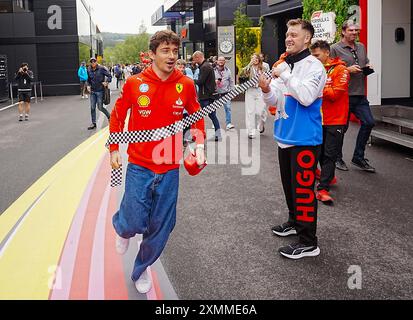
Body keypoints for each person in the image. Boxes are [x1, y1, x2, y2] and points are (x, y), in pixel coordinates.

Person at [109, 30, 206, 294]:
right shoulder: (134, 84)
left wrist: (198, 144)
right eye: (165, 51)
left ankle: (141, 269)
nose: (172, 56)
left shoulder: (185, 84)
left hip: (170, 166)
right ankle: (122, 227)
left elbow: (196, 115)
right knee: (133, 222)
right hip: (139, 165)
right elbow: (117, 117)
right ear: (152, 55)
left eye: (175, 51)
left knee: (162, 226)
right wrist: (114, 148)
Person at [259, 18, 327, 259]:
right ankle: (294, 222)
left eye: (294, 34)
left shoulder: (314, 67)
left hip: (305, 140)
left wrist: (285, 74)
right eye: (288, 34)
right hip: (284, 136)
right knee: (290, 188)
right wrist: (267, 89)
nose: (288, 38)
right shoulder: (286, 65)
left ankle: (309, 242)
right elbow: (276, 102)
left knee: (304, 191)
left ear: (307, 38)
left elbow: (307, 97)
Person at [330, 21, 376, 173]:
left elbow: (365, 61)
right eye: (351, 30)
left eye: (356, 30)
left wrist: (368, 66)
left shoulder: (361, 46)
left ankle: (358, 157)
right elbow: (329, 69)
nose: (354, 33)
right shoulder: (335, 48)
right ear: (343, 32)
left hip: (359, 94)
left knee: (369, 122)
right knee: (341, 129)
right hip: (343, 95)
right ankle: (337, 158)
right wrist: (346, 69)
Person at [311, 40, 350, 205]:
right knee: (317, 152)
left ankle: (323, 189)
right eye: (312, 55)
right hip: (317, 120)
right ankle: (327, 176)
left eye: (316, 55)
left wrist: (317, 85)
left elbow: (334, 94)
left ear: (327, 53)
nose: (313, 58)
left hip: (336, 120)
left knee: (330, 154)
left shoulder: (341, 69)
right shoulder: (313, 69)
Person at [192, 51, 221, 141]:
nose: (194, 61)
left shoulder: (204, 67)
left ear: (198, 57)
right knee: (212, 115)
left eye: (194, 59)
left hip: (206, 96)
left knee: (199, 115)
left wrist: (191, 80)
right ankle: (217, 134)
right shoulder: (207, 66)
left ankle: (198, 135)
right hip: (210, 95)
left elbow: (201, 81)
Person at [243, 53, 270, 139]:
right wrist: (249, 64)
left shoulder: (264, 68)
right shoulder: (248, 68)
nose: (254, 60)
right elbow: (242, 74)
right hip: (250, 90)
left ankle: (262, 123)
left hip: (260, 90)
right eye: (252, 58)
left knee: (261, 110)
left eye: (256, 58)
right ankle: (250, 131)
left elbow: (268, 78)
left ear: (259, 59)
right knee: (250, 112)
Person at [86, 57, 112, 130]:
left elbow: (109, 76)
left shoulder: (101, 68)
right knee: (92, 107)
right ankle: (93, 123)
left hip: (100, 91)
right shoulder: (89, 69)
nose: (93, 63)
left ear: (96, 62)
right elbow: (88, 80)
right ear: (90, 63)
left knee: (100, 107)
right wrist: (88, 85)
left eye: (94, 61)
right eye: (91, 61)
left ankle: (109, 117)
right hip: (92, 92)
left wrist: (106, 82)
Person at [214, 56, 235, 130]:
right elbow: (209, 81)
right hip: (216, 93)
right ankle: (215, 123)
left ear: (225, 62)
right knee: (214, 109)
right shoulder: (213, 70)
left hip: (226, 93)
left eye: (222, 60)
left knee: (228, 108)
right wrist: (215, 82)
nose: (221, 62)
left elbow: (231, 81)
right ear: (217, 61)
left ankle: (228, 123)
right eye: (220, 60)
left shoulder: (228, 70)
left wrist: (232, 90)